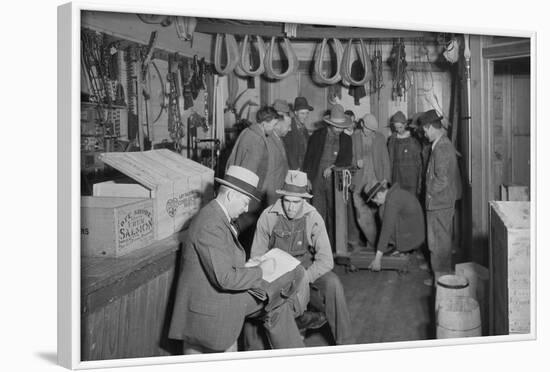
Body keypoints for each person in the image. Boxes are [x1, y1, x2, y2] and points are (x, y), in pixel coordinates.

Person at [168, 166, 305, 352]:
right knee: (280, 289)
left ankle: (292, 356)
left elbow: (224, 262)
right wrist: (261, 269)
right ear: (231, 195)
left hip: (218, 296)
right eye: (245, 202)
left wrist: (250, 265)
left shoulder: (217, 217)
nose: (246, 208)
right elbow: (225, 279)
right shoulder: (210, 224)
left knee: (276, 301)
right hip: (213, 306)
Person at [245, 170, 353, 347]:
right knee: (257, 302)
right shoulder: (268, 216)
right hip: (276, 271)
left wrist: (304, 278)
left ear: (304, 199)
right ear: (282, 198)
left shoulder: (313, 217)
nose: (291, 207)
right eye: (287, 201)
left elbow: (326, 260)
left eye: (296, 202)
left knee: (333, 284)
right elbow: (256, 258)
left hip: (305, 267)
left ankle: (346, 344)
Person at [225, 106, 282, 247]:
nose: (274, 129)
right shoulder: (258, 140)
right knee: (248, 233)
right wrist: (251, 199)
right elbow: (249, 172)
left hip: (237, 189)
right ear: (264, 123)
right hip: (249, 195)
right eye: (273, 125)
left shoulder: (247, 132)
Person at [419, 109, 462, 286]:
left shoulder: (442, 147)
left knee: (439, 243)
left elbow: (442, 179)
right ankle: (439, 275)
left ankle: (442, 281)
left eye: (424, 130)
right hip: (439, 202)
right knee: (436, 241)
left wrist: (429, 193)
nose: (423, 133)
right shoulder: (440, 144)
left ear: (430, 127)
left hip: (440, 202)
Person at [302, 104, 353, 250]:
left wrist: (333, 167)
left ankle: (332, 245)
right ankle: (317, 244)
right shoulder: (317, 136)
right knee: (317, 212)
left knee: (334, 213)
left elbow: (347, 160)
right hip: (317, 178)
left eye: (341, 127)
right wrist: (307, 178)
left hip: (335, 181)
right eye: (336, 127)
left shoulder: (347, 140)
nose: (339, 130)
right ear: (330, 124)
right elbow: (309, 158)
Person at [362, 180, 425, 271]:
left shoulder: (392, 200)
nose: (376, 203)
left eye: (375, 200)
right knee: (382, 211)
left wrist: (377, 260)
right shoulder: (394, 193)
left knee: (384, 215)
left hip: (413, 237)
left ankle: (405, 248)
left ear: (379, 194)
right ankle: (402, 247)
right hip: (416, 232)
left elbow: (386, 230)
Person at [350, 113, 391, 248]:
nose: (370, 132)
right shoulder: (354, 137)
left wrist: (386, 179)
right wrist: (356, 162)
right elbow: (347, 159)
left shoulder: (379, 138)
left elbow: (385, 160)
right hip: (359, 182)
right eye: (368, 129)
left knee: (377, 215)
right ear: (361, 124)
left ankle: (374, 245)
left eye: (373, 130)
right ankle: (375, 244)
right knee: (361, 215)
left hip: (375, 182)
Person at [387, 111, 423, 198]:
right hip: (397, 178)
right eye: (396, 128)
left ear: (406, 124)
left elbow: (419, 163)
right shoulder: (392, 140)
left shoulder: (414, 140)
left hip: (411, 179)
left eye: (400, 127)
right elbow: (390, 161)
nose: (398, 130)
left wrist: (419, 183)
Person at [265, 99, 292, 205]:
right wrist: (271, 205)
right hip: (272, 198)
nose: (290, 129)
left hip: (279, 195)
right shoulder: (269, 141)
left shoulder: (278, 139)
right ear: (277, 123)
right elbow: (269, 177)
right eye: (288, 126)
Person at [282, 97, 312, 170]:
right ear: (295, 112)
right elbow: (288, 152)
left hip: (303, 167)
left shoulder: (304, 129)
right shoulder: (289, 127)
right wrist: (295, 168)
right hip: (293, 169)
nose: (305, 116)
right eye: (302, 113)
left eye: (307, 113)